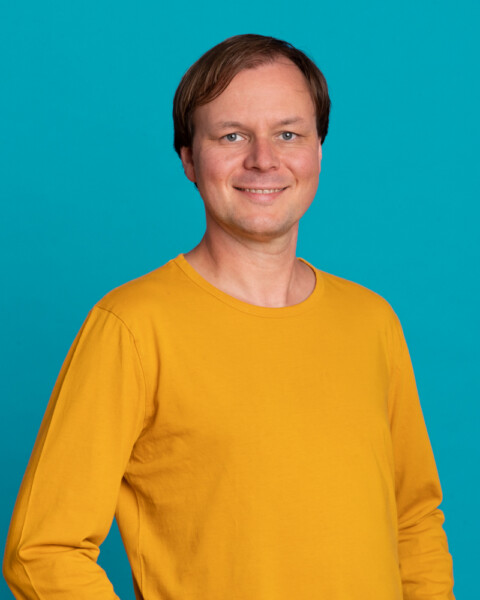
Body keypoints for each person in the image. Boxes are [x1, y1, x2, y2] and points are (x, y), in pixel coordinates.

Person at [3, 34, 454, 599]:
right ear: (190, 159)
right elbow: (41, 552)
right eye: (232, 135)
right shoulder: (132, 327)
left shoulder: (371, 320)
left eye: (288, 134)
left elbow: (413, 521)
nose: (263, 159)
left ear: (319, 151)